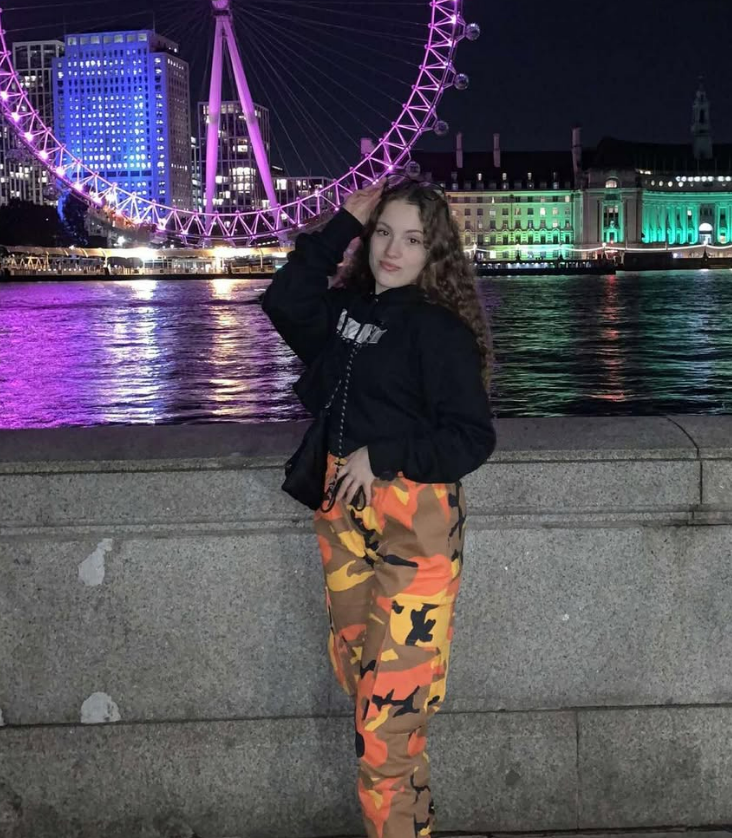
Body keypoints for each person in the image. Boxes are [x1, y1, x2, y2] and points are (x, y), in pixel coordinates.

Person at [262, 176, 496, 838]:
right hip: (342, 522)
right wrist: (340, 222)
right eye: (384, 233)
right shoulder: (347, 313)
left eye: (412, 239)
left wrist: (384, 453)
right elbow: (284, 298)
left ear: (434, 253)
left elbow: (471, 437)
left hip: (412, 529)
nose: (393, 249)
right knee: (369, 693)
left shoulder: (438, 331)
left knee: (383, 727)